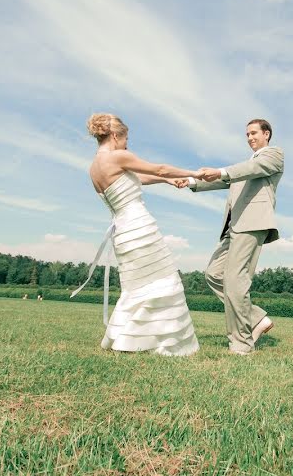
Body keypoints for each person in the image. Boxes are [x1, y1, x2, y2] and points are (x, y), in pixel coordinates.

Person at [80, 113, 202, 356]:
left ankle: (129, 339)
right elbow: (159, 168)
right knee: (163, 280)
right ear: (115, 135)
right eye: (126, 139)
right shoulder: (118, 156)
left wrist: (168, 181)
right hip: (140, 227)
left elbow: (141, 177)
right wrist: (194, 174)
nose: (127, 144)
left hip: (122, 233)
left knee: (137, 286)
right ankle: (158, 342)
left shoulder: (94, 167)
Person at [174, 119, 284, 355]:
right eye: (247, 134)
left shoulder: (273, 156)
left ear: (266, 134)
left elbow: (243, 171)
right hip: (233, 227)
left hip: (252, 224)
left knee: (236, 281)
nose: (250, 137)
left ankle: (241, 345)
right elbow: (226, 180)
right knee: (214, 274)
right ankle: (256, 318)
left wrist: (221, 171)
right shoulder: (244, 167)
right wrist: (192, 182)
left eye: (254, 133)